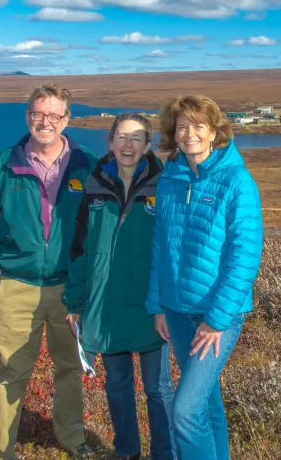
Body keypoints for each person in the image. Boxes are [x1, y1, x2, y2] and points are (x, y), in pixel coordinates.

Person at [0, 83, 99, 460]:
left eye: (54, 115)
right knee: (9, 375)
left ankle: (72, 439)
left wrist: (89, 280)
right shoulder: (1, 165)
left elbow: (99, 230)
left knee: (71, 370)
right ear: (28, 116)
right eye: (37, 114)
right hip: (15, 286)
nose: (45, 122)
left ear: (67, 119)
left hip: (70, 289)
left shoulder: (86, 166)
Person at [145, 95, 264, 460]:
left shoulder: (236, 180)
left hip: (216, 316)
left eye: (198, 126)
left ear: (214, 132)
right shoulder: (170, 179)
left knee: (185, 410)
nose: (189, 134)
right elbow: (160, 247)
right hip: (177, 312)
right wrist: (157, 305)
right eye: (182, 127)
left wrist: (216, 320)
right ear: (173, 134)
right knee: (206, 404)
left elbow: (244, 256)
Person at [64, 113, 176, 460]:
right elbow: (79, 247)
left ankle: (165, 453)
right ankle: (126, 450)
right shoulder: (93, 184)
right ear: (111, 141)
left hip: (151, 305)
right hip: (107, 303)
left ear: (148, 145)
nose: (128, 145)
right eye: (122, 138)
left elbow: (174, 249)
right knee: (117, 385)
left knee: (158, 388)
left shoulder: (164, 184)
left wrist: (169, 303)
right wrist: (75, 301)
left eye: (137, 138)